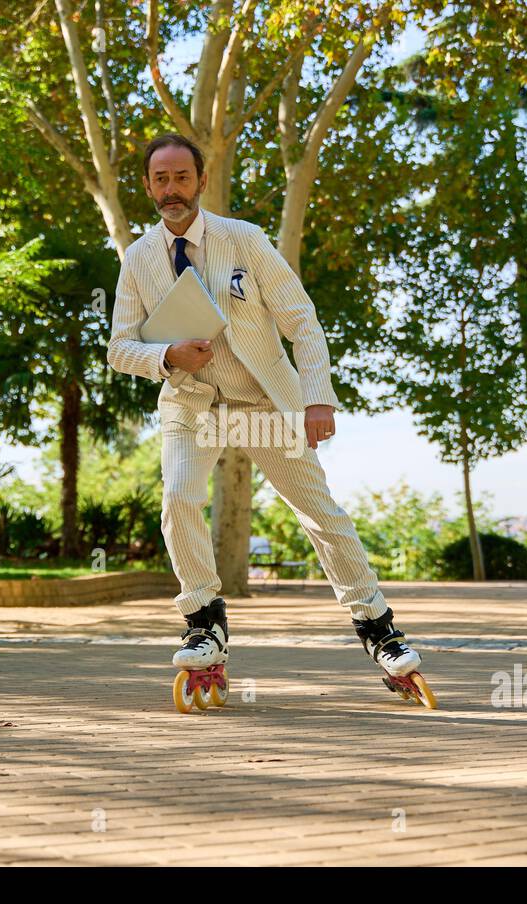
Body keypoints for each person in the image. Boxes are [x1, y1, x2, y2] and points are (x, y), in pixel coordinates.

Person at [106, 132, 425, 693]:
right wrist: (166, 356)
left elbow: (302, 320)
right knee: (179, 497)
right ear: (148, 187)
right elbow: (118, 348)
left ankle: (379, 629)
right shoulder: (138, 260)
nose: (172, 188)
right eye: (161, 179)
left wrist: (318, 397)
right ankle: (204, 623)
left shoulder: (244, 240)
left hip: (263, 402)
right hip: (191, 405)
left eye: (183, 177)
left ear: (201, 181)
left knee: (319, 514)